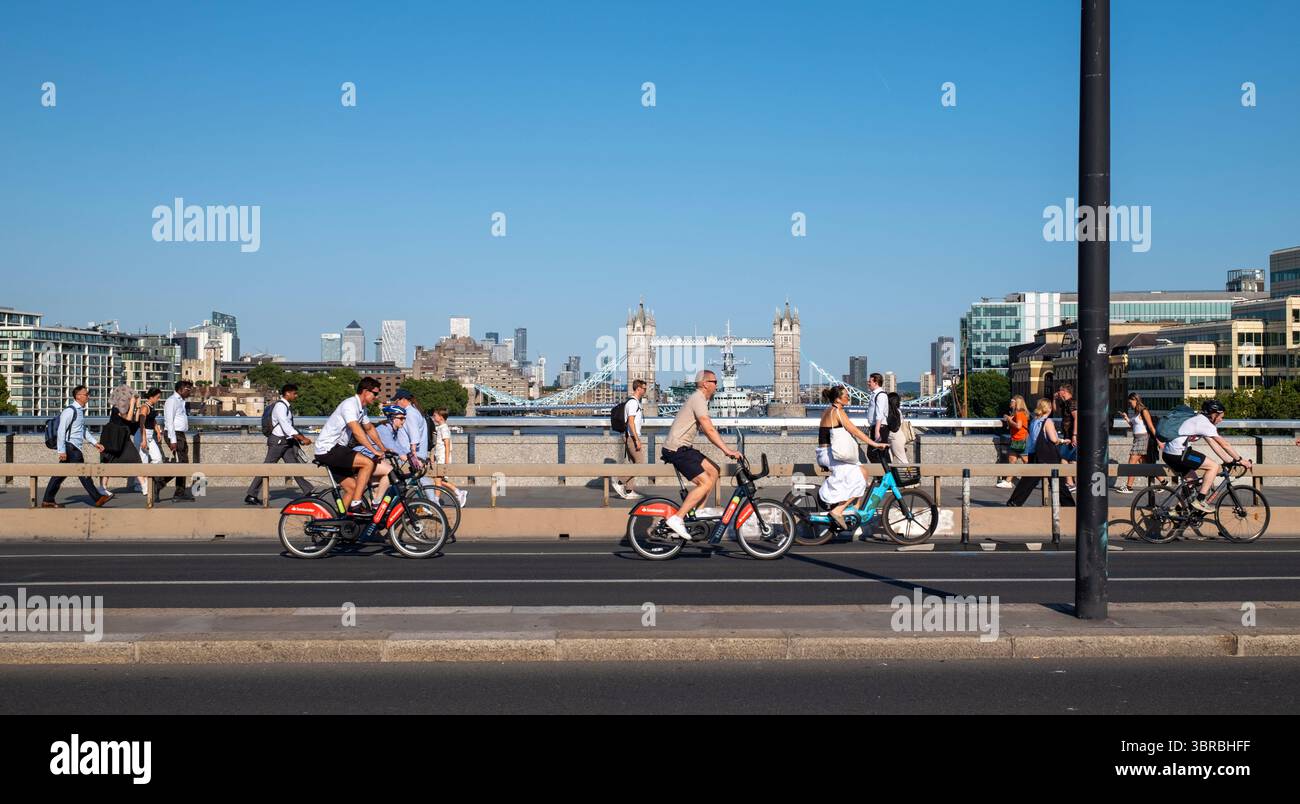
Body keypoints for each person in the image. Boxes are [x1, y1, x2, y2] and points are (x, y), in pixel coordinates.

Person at [659, 370, 743, 541]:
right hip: (676, 449)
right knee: (704, 483)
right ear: (705, 384)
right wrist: (727, 450)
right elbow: (709, 428)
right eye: (714, 381)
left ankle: (697, 511)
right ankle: (677, 518)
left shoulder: (700, 399)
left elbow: (708, 430)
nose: (716, 385)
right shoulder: (698, 398)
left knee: (714, 470)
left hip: (684, 448)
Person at [313, 377, 392, 514]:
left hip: (337, 449)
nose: (376, 397)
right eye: (375, 393)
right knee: (367, 463)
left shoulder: (362, 408)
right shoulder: (350, 405)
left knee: (353, 488)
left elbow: (369, 429)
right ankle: (356, 504)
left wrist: (383, 448)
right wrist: (374, 450)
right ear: (365, 391)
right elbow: (357, 430)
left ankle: (338, 521)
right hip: (329, 448)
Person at [1161, 398, 1252, 513]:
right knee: (1213, 466)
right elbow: (1225, 444)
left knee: (1192, 482)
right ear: (1213, 414)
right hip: (1180, 454)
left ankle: (1177, 510)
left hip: (1169, 454)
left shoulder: (1200, 420)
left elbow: (1214, 444)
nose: (1221, 420)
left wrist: (1229, 460)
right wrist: (1240, 460)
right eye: (1221, 417)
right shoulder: (1204, 424)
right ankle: (1200, 500)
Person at [816, 385, 886, 531]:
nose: (849, 397)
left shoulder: (828, 410)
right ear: (837, 399)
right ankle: (838, 510)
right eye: (846, 395)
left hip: (827, 453)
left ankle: (855, 508)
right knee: (859, 479)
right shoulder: (837, 411)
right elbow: (854, 429)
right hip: (830, 454)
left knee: (863, 471)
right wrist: (874, 443)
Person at [244, 384, 315, 505]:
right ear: (287, 393)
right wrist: (301, 438)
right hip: (278, 442)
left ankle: (308, 490)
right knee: (267, 467)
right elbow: (285, 426)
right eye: (294, 393)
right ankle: (251, 494)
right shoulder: (281, 407)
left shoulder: (285, 406)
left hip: (285, 441)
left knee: (294, 466)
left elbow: (287, 426)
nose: (296, 396)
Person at [42, 385, 111, 508]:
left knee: (59, 475)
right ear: (78, 396)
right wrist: (61, 450)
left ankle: (48, 500)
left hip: (73, 447)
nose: (88, 396)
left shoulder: (79, 411)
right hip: (71, 448)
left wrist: (95, 443)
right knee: (83, 473)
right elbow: (61, 431)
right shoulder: (70, 410)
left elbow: (83, 430)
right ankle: (98, 498)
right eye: (86, 394)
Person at [1006, 397, 1076, 508]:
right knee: (1057, 481)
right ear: (1047, 408)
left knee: (1028, 481)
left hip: (1034, 453)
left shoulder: (1034, 421)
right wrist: (1063, 440)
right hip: (1048, 455)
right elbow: (1053, 439)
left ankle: (1014, 502)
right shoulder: (1047, 421)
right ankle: (1069, 505)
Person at [98, 384, 143, 499]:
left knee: (135, 459)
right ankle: (102, 487)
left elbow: (135, 421)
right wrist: (133, 405)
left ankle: (144, 484)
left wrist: (137, 407)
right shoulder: (116, 408)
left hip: (123, 438)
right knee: (107, 462)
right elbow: (127, 418)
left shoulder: (127, 408)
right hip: (112, 438)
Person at [1116, 392, 1160, 494]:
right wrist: (1126, 418)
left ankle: (1129, 487)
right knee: (1146, 464)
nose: (1129, 404)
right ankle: (1164, 482)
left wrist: (1158, 440)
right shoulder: (1136, 412)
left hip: (1143, 439)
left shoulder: (1143, 411)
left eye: (1130, 401)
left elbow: (1150, 427)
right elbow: (1134, 426)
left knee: (1132, 462)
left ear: (1135, 400)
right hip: (1136, 439)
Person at [613, 379, 647, 500]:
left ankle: (629, 490)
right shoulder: (632, 403)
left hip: (632, 437)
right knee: (640, 464)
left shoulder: (635, 402)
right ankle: (619, 482)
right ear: (638, 388)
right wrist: (636, 439)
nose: (645, 390)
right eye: (644, 388)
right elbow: (631, 423)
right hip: (632, 437)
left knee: (634, 464)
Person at [164, 380, 196, 502]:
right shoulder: (172, 401)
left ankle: (179, 492)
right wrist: (173, 440)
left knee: (183, 463)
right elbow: (169, 421)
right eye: (188, 389)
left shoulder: (181, 401)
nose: (189, 392)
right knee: (182, 463)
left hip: (180, 435)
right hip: (175, 435)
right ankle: (159, 483)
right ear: (181, 389)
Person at [431, 408, 467, 506]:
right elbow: (438, 445)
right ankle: (459, 492)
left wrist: (446, 460)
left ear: (441, 417)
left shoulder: (444, 428)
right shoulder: (440, 428)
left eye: (435, 415)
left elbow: (447, 444)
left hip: (443, 458)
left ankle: (436, 501)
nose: (433, 417)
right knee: (439, 480)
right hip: (440, 457)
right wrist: (434, 457)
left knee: (437, 480)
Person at [997, 395, 1030, 489]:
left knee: (1025, 460)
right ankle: (1008, 481)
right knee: (1012, 459)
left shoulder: (1019, 413)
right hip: (1016, 439)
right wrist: (1008, 418)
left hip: (1021, 439)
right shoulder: (1017, 413)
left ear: (1017, 403)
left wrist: (1008, 420)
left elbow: (1018, 426)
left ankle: (1030, 479)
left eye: (1012, 401)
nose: (1010, 403)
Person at [1054, 384, 1078, 493]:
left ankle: (1070, 483)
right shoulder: (1065, 403)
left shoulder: (1072, 402)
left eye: (1060, 390)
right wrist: (1054, 399)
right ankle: (1074, 483)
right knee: (1073, 460)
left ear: (1065, 391)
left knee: (1063, 457)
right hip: (1068, 435)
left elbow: (1076, 418)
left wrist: (1074, 435)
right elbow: (1054, 410)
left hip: (1071, 436)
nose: (1058, 392)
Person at [864, 373, 890, 464]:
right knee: (879, 454)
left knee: (874, 454)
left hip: (880, 428)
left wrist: (877, 431)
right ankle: (885, 476)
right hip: (877, 427)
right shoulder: (874, 394)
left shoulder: (881, 395)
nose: (868, 383)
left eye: (870, 381)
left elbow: (880, 414)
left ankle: (885, 475)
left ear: (876, 382)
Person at [886, 390, 909, 464]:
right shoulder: (898, 411)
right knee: (889, 460)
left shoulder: (891, 412)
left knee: (902, 460)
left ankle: (910, 475)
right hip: (895, 437)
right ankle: (890, 475)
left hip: (895, 437)